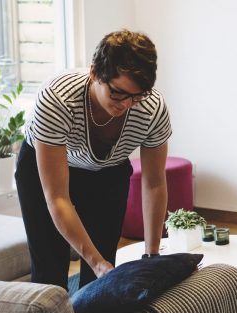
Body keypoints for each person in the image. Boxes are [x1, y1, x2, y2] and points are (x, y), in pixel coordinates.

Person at [15, 30, 171, 290]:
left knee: (102, 270)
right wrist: (95, 262)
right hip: (46, 170)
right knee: (50, 271)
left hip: (107, 170)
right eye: (118, 93)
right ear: (95, 73)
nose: (128, 104)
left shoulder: (151, 108)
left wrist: (151, 255)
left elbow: (154, 183)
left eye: (137, 95)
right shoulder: (57, 99)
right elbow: (58, 198)